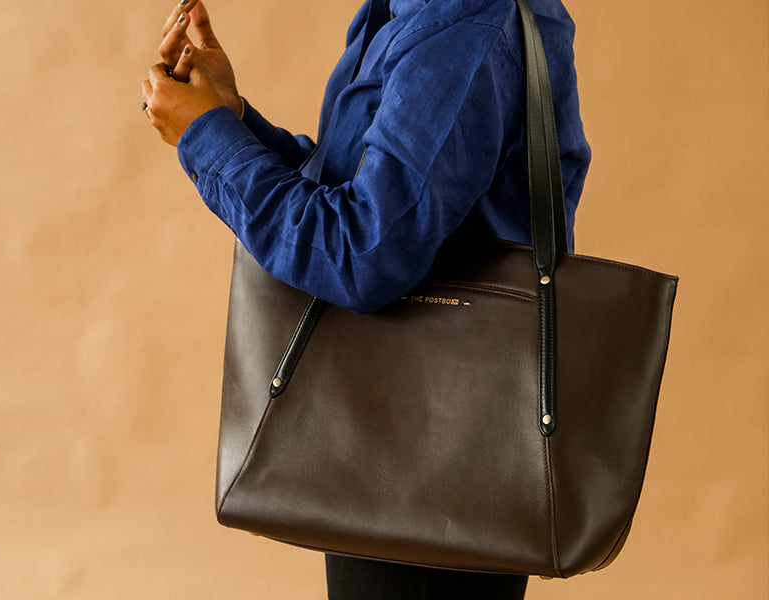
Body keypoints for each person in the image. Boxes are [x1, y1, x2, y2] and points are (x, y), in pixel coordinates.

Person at [141, 0, 590, 597]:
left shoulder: (464, 27)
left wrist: (208, 139)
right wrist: (232, 119)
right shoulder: (406, 10)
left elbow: (360, 254)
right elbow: (361, 197)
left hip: (437, 454)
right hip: (395, 431)